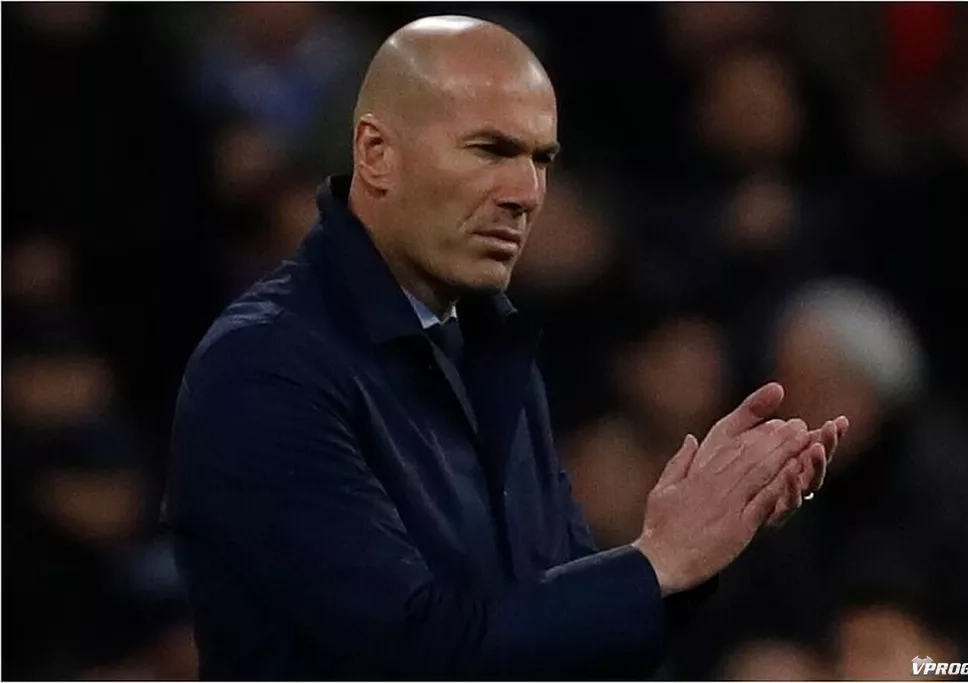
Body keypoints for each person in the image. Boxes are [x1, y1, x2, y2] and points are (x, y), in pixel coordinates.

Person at [164, 16, 848, 679]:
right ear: (376, 153)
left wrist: (698, 541)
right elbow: (406, 655)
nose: (526, 194)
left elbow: (558, 645)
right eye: (490, 150)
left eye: (541, 159)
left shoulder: (492, 348)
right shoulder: (264, 368)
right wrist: (657, 563)